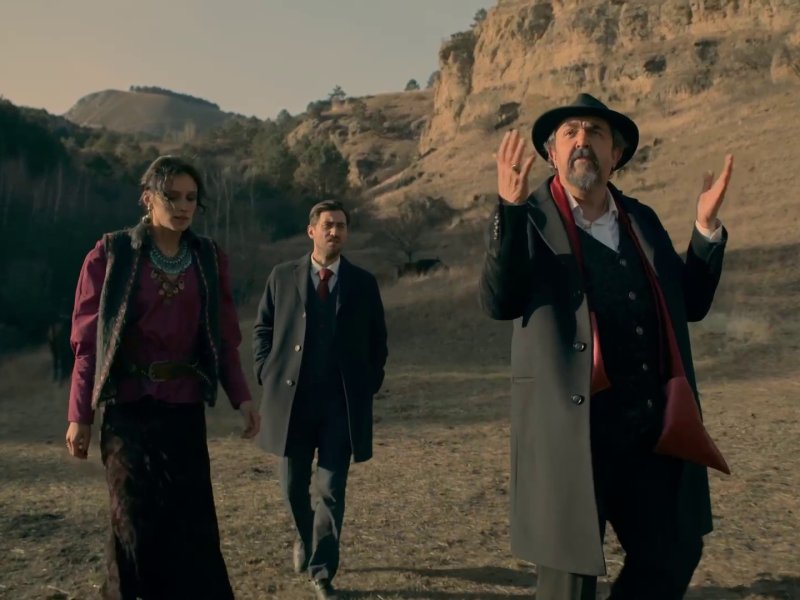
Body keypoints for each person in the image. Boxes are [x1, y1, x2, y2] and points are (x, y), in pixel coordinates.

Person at [479, 93, 734, 600]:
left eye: (595, 133)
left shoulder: (641, 219)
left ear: (615, 155)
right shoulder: (528, 218)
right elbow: (498, 300)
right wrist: (509, 209)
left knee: (675, 551)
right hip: (570, 437)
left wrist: (705, 230)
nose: (583, 141)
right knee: (569, 585)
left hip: (650, 432)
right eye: (570, 133)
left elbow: (690, 303)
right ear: (551, 153)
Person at [65, 155, 260, 600]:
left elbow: (224, 337)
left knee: (190, 528)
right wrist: (80, 415)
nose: (183, 206)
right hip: (128, 410)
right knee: (133, 527)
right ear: (147, 198)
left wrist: (242, 397)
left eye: (191, 198)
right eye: (171, 196)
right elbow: (88, 343)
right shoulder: (111, 254)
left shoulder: (207, 258)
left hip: (184, 410)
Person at [252, 200, 388, 600]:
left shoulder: (363, 283)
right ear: (311, 230)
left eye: (341, 226)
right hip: (292, 405)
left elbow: (378, 341)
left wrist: (368, 383)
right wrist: (265, 371)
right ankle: (307, 536)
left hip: (340, 408)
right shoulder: (282, 276)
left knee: (331, 490)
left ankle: (323, 571)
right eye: (328, 225)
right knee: (293, 488)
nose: (335, 232)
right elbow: (262, 329)